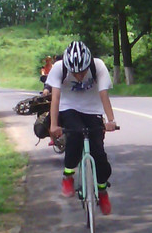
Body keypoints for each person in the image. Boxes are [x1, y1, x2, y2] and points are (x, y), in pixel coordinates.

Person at [47, 40, 118, 214]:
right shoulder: (59, 67)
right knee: (76, 136)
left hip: (93, 110)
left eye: (83, 72)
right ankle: (68, 176)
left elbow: (103, 95)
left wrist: (111, 120)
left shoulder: (98, 66)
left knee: (99, 153)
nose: (79, 76)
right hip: (68, 108)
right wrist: (54, 125)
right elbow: (55, 98)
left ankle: (102, 191)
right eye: (75, 73)